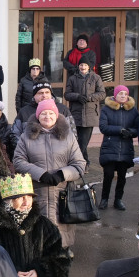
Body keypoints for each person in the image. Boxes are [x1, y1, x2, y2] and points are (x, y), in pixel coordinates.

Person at [13, 99, 87, 251]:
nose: (47, 116)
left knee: (61, 244)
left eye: (51, 113)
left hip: (62, 196)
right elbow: (18, 161)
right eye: (44, 113)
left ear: (57, 115)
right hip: (35, 194)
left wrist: (62, 174)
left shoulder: (68, 136)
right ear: (38, 116)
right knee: (36, 241)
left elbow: (79, 164)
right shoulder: (26, 136)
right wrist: (41, 174)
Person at [98, 85, 139, 211]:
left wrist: (130, 132)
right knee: (108, 174)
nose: (123, 96)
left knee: (122, 176)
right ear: (115, 95)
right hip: (110, 147)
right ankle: (104, 199)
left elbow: (138, 128)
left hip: (125, 148)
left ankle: (118, 199)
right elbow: (103, 127)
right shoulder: (106, 109)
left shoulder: (133, 110)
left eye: (125, 94)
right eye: (120, 94)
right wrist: (120, 130)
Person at [64, 59, 106, 166]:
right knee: (78, 141)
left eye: (85, 65)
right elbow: (67, 94)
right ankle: (85, 162)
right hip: (76, 114)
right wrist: (77, 97)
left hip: (90, 115)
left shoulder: (96, 78)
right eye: (81, 65)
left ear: (89, 66)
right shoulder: (72, 78)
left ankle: (77, 164)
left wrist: (89, 97)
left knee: (83, 143)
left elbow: (102, 94)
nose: (83, 67)